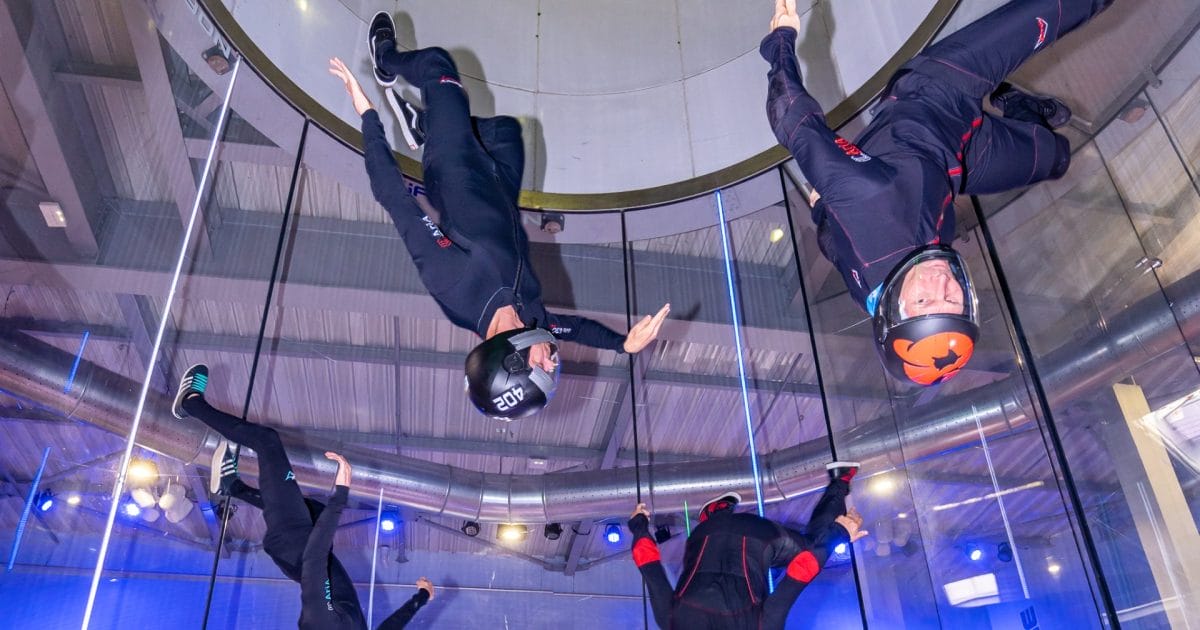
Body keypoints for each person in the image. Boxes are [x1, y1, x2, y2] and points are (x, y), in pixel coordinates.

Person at [327, 12, 670, 420]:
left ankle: (385, 59)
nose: (555, 363)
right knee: (506, 130)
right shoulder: (534, 321)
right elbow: (576, 329)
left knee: (439, 68)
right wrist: (623, 346)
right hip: (499, 188)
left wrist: (368, 118)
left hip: (452, 169)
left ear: (513, 358)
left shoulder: (456, 288)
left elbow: (393, 198)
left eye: (544, 369)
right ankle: (426, 124)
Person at [762, 0, 1115, 386]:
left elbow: (792, 118)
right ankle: (1015, 105)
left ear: (894, 310)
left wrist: (781, 39)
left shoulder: (865, 198)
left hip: (934, 93)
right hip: (957, 166)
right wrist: (823, 214)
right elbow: (834, 246)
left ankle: (996, 86)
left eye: (924, 302)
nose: (943, 285)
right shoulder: (872, 294)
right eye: (952, 303)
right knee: (1054, 158)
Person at [172, 364, 433, 629]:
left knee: (268, 441)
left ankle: (191, 404)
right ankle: (233, 487)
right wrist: (421, 597)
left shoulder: (323, 622)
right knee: (314, 510)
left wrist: (341, 493)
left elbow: (315, 559)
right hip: (303, 551)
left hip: (295, 544)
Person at [627, 462, 869, 629]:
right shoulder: (669, 623)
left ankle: (841, 478)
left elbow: (798, 574)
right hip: (704, 534)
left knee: (813, 546)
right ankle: (717, 513)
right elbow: (647, 564)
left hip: (756, 534)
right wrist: (638, 524)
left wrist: (839, 535)